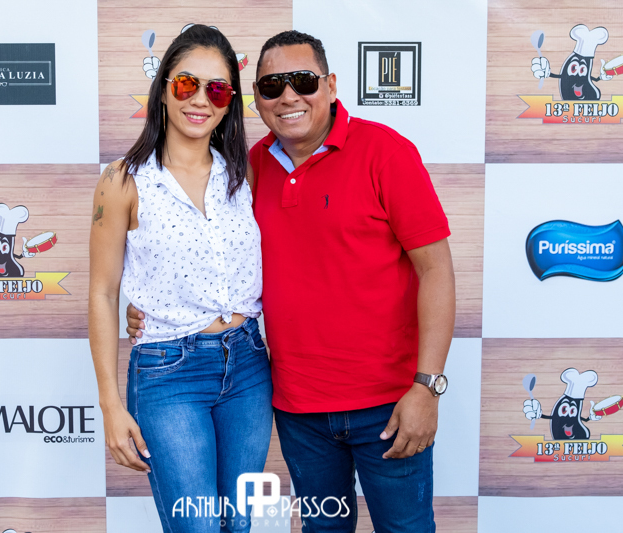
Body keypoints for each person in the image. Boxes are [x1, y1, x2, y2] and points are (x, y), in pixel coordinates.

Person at [129, 30, 456, 533]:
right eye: (271, 86)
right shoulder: (247, 169)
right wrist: (152, 304)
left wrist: (427, 387)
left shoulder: (386, 152)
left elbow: (436, 270)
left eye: (302, 81)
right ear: (255, 98)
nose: (288, 96)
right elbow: (212, 253)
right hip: (298, 409)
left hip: (388, 404)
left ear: (331, 85)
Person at [89, 25, 272, 533]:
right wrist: (110, 405)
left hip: (249, 365)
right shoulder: (122, 180)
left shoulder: (246, 173)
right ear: (165, 87)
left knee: (238, 524)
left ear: (230, 103)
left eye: (218, 90)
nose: (201, 100)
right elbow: (103, 293)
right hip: (169, 371)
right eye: (188, 84)